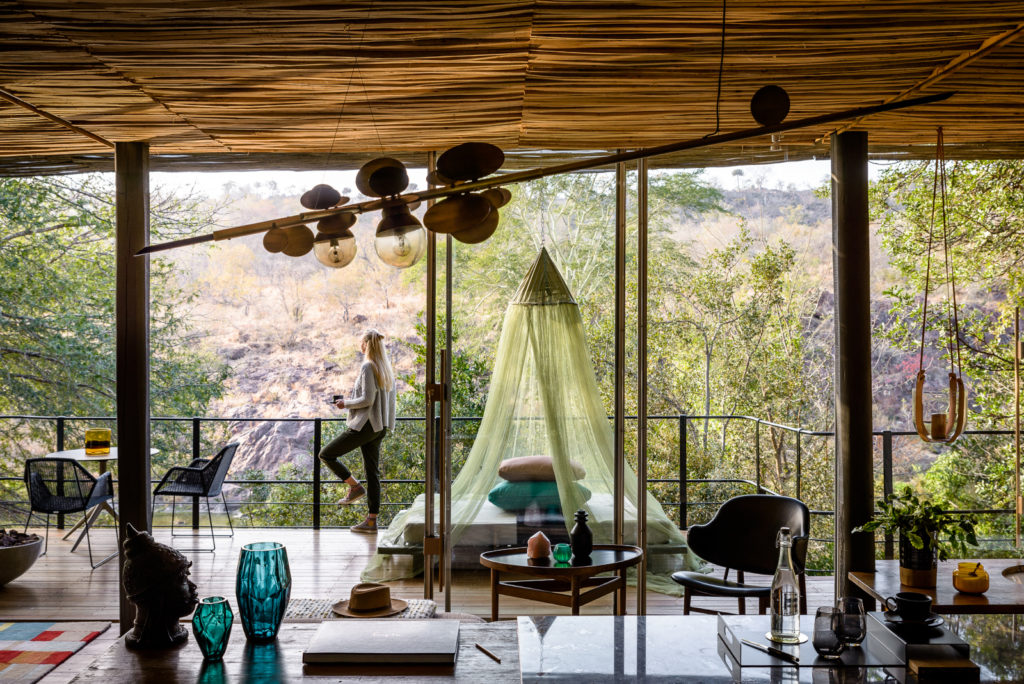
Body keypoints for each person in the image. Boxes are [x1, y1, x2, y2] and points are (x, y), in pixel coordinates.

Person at [319, 329, 397, 534]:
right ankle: (372, 521)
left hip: (366, 425)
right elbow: (386, 402)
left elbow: (367, 400)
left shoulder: (368, 367)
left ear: (366, 345)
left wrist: (346, 403)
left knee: (326, 454)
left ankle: (354, 487)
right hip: (380, 427)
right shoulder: (385, 368)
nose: (360, 346)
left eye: (361, 343)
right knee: (372, 473)